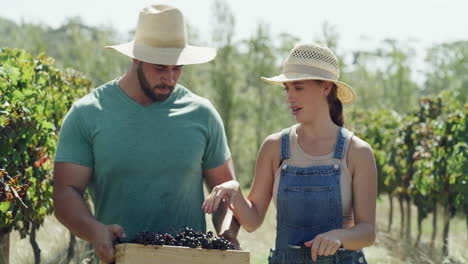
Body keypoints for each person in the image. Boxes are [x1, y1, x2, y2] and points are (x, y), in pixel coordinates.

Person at [53, 4, 239, 263]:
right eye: (160, 68)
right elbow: (65, 192)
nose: (170, 78)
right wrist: (96, 232)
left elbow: (225, 193)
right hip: (119, 257)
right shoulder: (87, 113)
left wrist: (227, 232)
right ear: (136, 58)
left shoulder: (203, 114)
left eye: (178, 68)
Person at [203, 43, 377, 263]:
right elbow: (253, 221)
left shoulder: (357, 152)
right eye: (287, 88)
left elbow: (367, 232)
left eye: (298, 87)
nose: (289, 97)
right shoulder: (274, 147)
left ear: (325, 88)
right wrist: (235, 191)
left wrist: (339, 237)